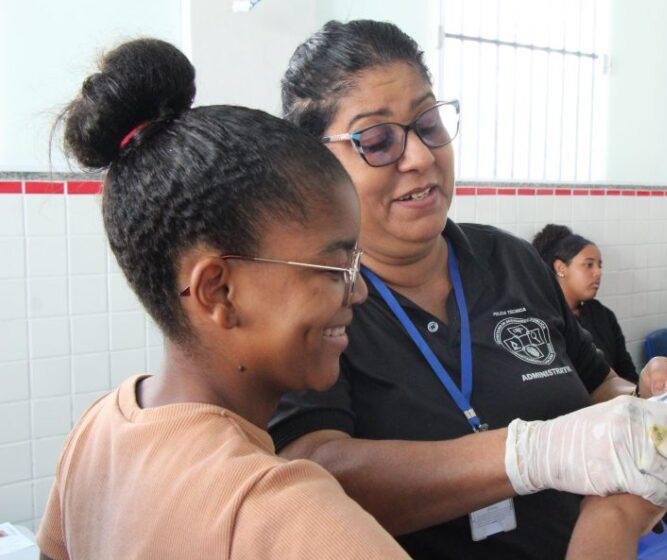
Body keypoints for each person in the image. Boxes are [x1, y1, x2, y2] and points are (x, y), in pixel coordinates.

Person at [271, 19, 667, 559]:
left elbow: (597, 386)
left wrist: (648, 402)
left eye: (428, 124)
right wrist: (528, 455)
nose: (420, 156)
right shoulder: (314, 294)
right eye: (377, 141)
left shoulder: (508, 259)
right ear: (316, 165)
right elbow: (314, 471)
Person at [36, 38, 411, 559]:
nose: (360, 288)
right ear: (219, 291)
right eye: (335, 266)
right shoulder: (289, 514)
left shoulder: (100, 428)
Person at [532, 224, 638, 383]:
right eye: (589, 265)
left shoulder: (603, 315)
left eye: (599, 265)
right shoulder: (543, 321)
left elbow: (627, 372)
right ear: (561, 268)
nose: (598, 272)